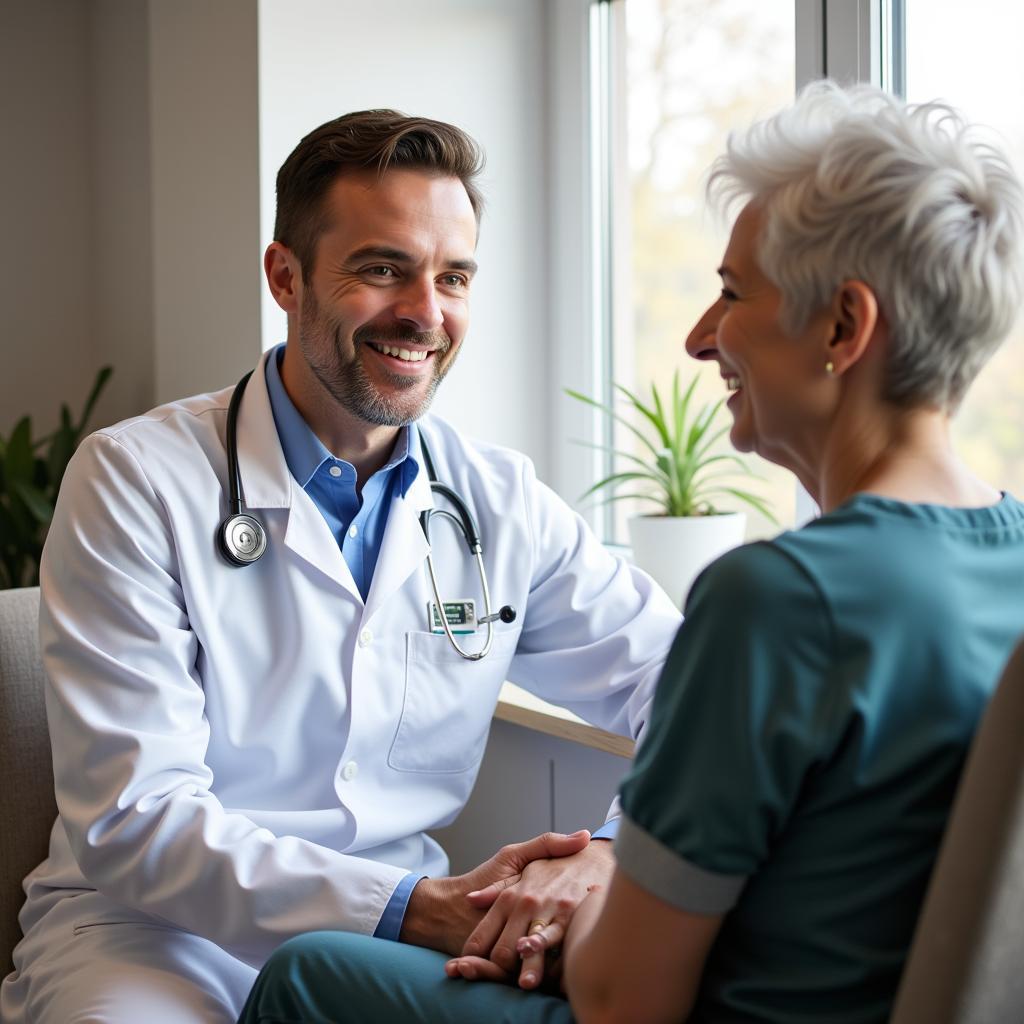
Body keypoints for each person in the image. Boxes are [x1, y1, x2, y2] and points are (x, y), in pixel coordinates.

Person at [236, 82, 1024, 1024]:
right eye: (384, 269)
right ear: (287, 278)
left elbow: (622, 997)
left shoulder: (781, 598)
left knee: (311, 975)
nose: (697, 337)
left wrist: (578, 890)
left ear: (844, 329)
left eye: (732, 293)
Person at [0, 111, 683, 1024]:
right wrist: (414, 910)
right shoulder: (135, 479)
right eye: (382, 268)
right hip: (153, 937)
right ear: (286, 276)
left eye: (454, 278)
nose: (424, 313)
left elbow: (689, 683)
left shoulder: (498, 500)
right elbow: (138, 820)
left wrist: (610, 849)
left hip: (392, 944)